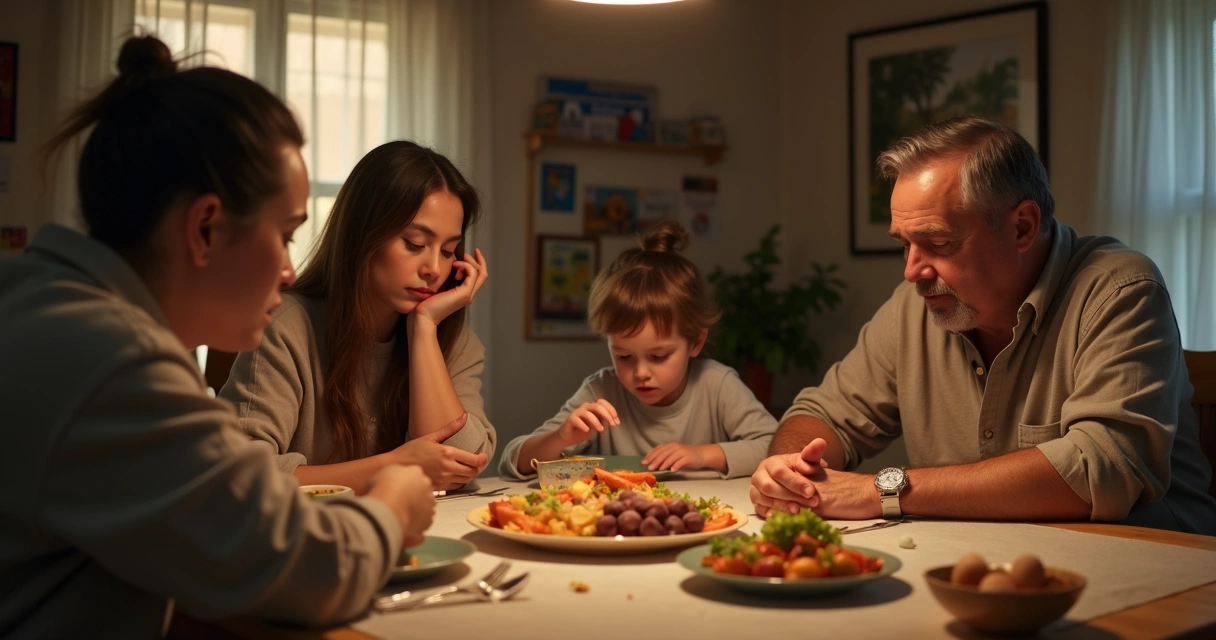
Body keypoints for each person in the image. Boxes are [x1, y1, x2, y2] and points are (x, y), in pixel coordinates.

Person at [0, 36, 436, 637]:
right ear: (205, 228)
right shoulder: (115, 362)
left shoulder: (34, 295)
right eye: (284, 235)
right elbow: (307, 571)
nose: (290, 270)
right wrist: (390, 507)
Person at [750, 115, 1216, 535]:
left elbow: (1102, 468)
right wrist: (790, 470)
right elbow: (823, 414)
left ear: (1022, 227)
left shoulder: (1119, 289)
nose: (911, 271)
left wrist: (879, 490)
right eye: (904, 244)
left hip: (1155, 561)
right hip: (988, 557)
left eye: (938, 243)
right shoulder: (913, 308)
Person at [219, 140, 494, 493]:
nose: (434, 269)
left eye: (448, 251)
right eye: (414, 243)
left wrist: (424, 329)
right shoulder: (286, 326)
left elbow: (460, 464)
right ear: (363, 234)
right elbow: (239, 476)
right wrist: (393, 467)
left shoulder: (451, 339)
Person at [499, 222, 776, 480]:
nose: (641, 372)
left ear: (695, 342)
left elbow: (776, 447)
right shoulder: (601, 390)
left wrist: (702, 454)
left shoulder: (718, 385)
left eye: (658, 356)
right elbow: (512, 462)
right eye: (623, 356)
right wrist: (560, 438)